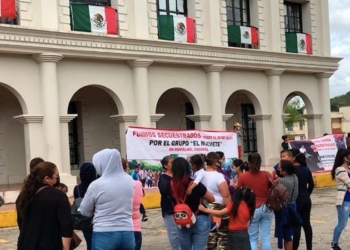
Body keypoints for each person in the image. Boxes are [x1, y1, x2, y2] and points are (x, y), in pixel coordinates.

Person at [80, 149, 135, 250]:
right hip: (128, 231)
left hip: (104, 232)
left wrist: (95, 211)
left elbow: (84, 210)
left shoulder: (96, 184)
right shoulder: (129, 180)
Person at [16, 161, 73, 250]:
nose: (57, 179)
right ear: (47, 178)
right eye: (56, 176)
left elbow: (21, 223)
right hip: (49, 245)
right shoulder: (58, 196)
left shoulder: (23, 196)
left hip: (26, 244)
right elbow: (66, 226)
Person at [169, 157, 215, 250]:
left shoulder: (170, 185)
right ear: (187, 168)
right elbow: (212, 199)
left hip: (182, 220)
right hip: (200, 218)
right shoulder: (194, 184)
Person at [199, 186, 256, 250]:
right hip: (244, 233)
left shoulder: (234, 205)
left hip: (234, 234)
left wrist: (205, 209)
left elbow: (220, 213)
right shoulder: (250, 207)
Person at [237, 153, 273, 250]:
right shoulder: (267, 174)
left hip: (251, 208)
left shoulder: (243, 177)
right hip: (267, 207)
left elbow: (238, 193)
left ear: (248, 163)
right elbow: (271, 188)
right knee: (266, 238)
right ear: (260, 162)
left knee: (252, 238)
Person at [203, 152, 232, 250]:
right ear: (216, 162)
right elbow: (226, 194)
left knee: (210, 236)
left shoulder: (199, 175)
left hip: (205, 207)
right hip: (219, 208)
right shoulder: (218, 176)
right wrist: (230, 208)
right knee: (223, 236)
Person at [290, 149, 314, 250]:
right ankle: (309, 247)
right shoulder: (306, 168)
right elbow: (311, 184)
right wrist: (307, 194)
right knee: (307, 224)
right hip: (306, 198)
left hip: (296, 199)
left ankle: (295, 247)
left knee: (297, 224)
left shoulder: (293, 170)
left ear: (294, 157)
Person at [274, 160, 299, 250]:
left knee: (286, 234)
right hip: (293, 205)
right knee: (288, 233)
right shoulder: (295, 177)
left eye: (280, 167)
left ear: (284, 170)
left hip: (284, 208)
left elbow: (274, 192)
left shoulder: (281, 181)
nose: (278, 168)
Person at [158, 155, 181, 250]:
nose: (175, 164)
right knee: (174, 235)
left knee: (182, 234)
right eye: (172, 162)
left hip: (181, 209)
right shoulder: (164, 178)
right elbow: (165, 192)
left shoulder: (179, 176)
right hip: (170, 209)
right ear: (165, 165)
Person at [73, 162, 96, 250]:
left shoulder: (77, 188)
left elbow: (76, 202)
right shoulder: (96, 186)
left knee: (89, 243)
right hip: (96, 219)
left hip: (84, 220)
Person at [330, 148, 350, 250]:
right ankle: (334, 244)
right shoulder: (340, 170)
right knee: (342, 223)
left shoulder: (348, 169)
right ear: (345, 158)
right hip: (344, 201)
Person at [122, 158, 143, 250]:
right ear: (127, 168)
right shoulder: (138, 184)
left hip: (116, 229)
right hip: (135, 227)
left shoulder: (104, 185)